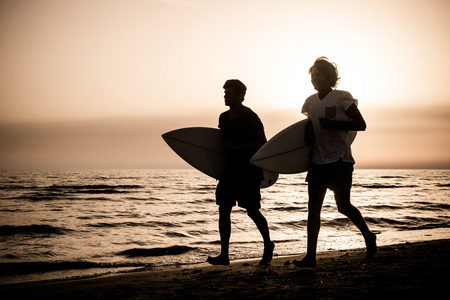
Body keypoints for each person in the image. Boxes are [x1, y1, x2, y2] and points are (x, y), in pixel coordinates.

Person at [294, 57, 377, 268]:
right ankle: (310, 257)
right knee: (313, 210)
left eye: (319, 75)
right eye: (313, 76)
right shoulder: (310, 102)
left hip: (339, 160)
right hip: (317, 162)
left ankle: (368, 236)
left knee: (343, 206)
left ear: (329, 77)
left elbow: (361, 124)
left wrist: (335, 124)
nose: (315, 79)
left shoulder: (342, 97)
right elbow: (309, 129)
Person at [207, 79, 275, 266]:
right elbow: (221, 146)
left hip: (248, 171)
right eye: (225, 93)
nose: (225, 96)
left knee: (252, 211)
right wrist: (215, 168)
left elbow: (263, 143)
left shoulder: (250, 117)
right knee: (224, 210)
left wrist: (238, 146)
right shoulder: (223, 117)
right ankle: (224, 255)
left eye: (229, 93)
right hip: (229, 171)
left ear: (240, 96)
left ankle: (268, 245)